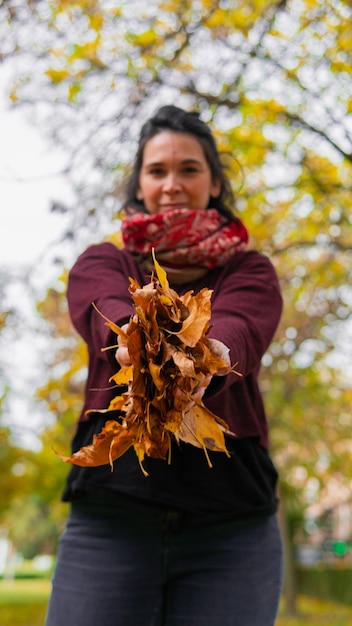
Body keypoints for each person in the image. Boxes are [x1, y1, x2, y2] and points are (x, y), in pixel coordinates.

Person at [45, 105, 284, 626]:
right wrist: (136, 341)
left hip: (231, 527)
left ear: (215, 182)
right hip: (113, 517)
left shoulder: (249, 269)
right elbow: (104, 309)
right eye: (157, 171)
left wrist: (202, 357)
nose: (172, 184)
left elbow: (241, 327)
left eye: (189, 169)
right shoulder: (105, 261)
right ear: (140, 184)